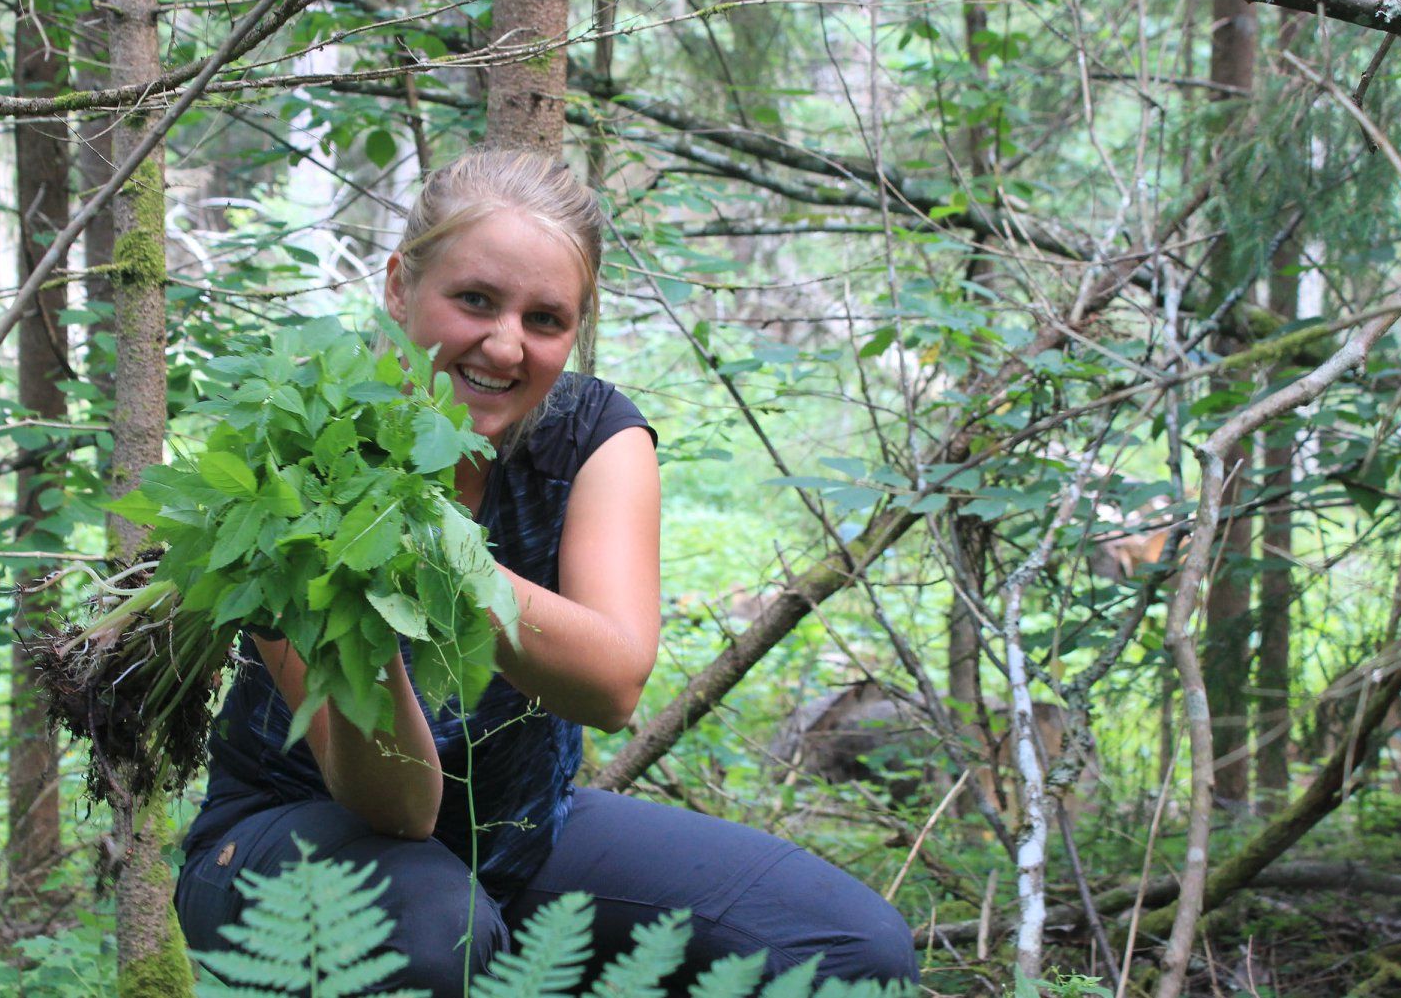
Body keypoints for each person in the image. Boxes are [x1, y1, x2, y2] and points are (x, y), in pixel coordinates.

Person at [175, 148, 919, 995]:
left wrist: (429, 549)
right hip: (288, 844)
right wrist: (357, 576)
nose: (503, 344)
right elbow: (401, 808)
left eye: (545, 319)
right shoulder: (308, 447)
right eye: (474, 300)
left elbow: (611, 684)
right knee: (435, 932)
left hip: (518, 836)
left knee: (851, 949)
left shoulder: (594, 433)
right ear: (396, 286)